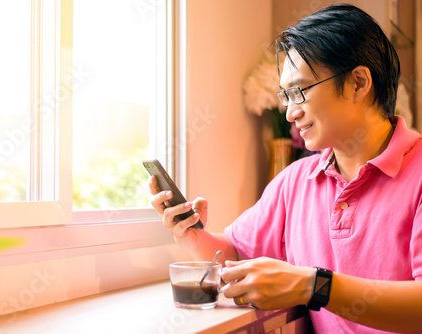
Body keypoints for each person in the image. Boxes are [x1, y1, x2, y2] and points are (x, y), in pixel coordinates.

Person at [149, 3, 422, 333]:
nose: (290, 112)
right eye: (285, 96)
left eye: (299, 92)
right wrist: (191, 234)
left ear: (358, 83)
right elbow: (235, 252)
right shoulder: (295, 181)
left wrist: (314, 286)